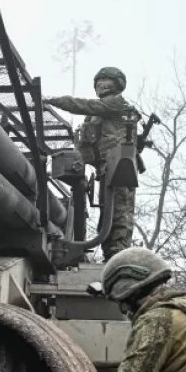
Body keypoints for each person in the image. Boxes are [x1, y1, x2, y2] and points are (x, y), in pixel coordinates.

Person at [44, 66, 138, 259]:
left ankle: (118, 257)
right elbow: (86, 146)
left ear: (117, 85)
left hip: (118, 168)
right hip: (104, 170)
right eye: (99, 82)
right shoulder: (96, 116)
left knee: (119, 215)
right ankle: (110, 256)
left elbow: (83, 105)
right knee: (106, 217)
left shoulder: (115, 104)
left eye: (107, 81)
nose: (101, 85)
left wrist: (53, 100)